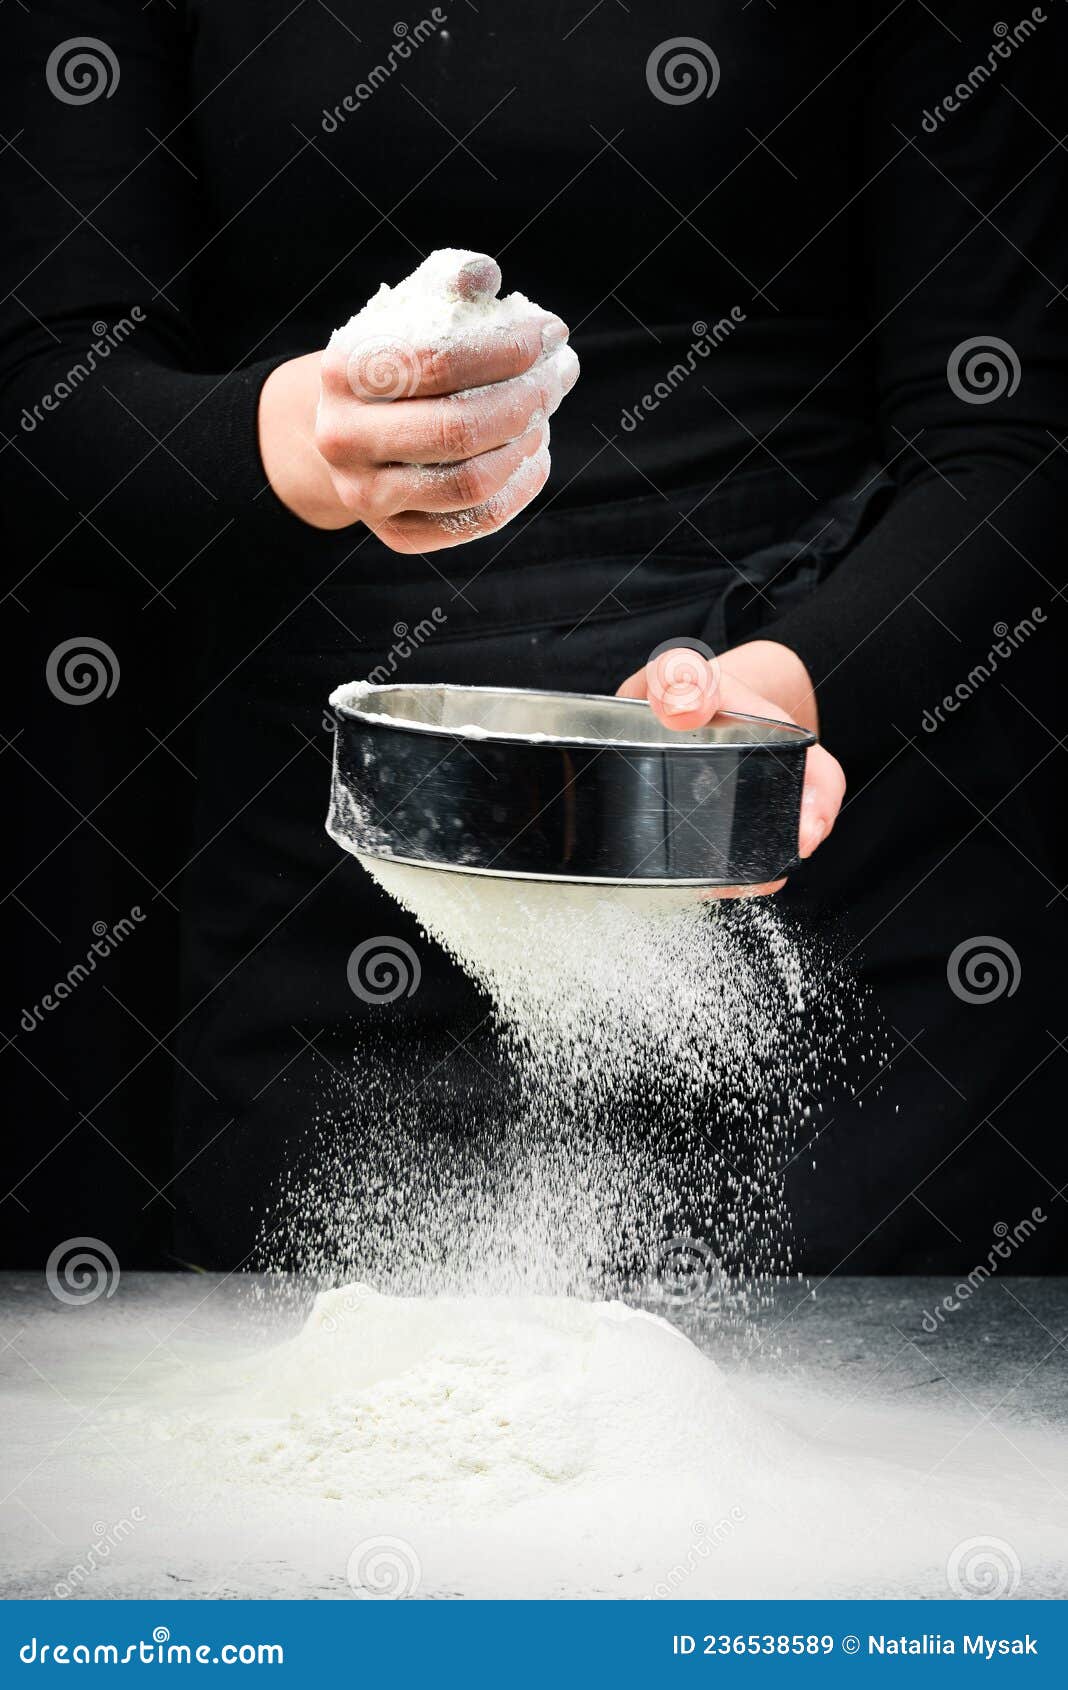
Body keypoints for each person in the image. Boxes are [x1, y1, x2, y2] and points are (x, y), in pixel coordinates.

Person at [2, 2, 1065, 1275]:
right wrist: (305, 438)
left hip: (806, 896)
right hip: (333, 903)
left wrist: (782, 692)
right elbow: (44, 389)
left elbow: (1008, 434)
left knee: (817, 1448)